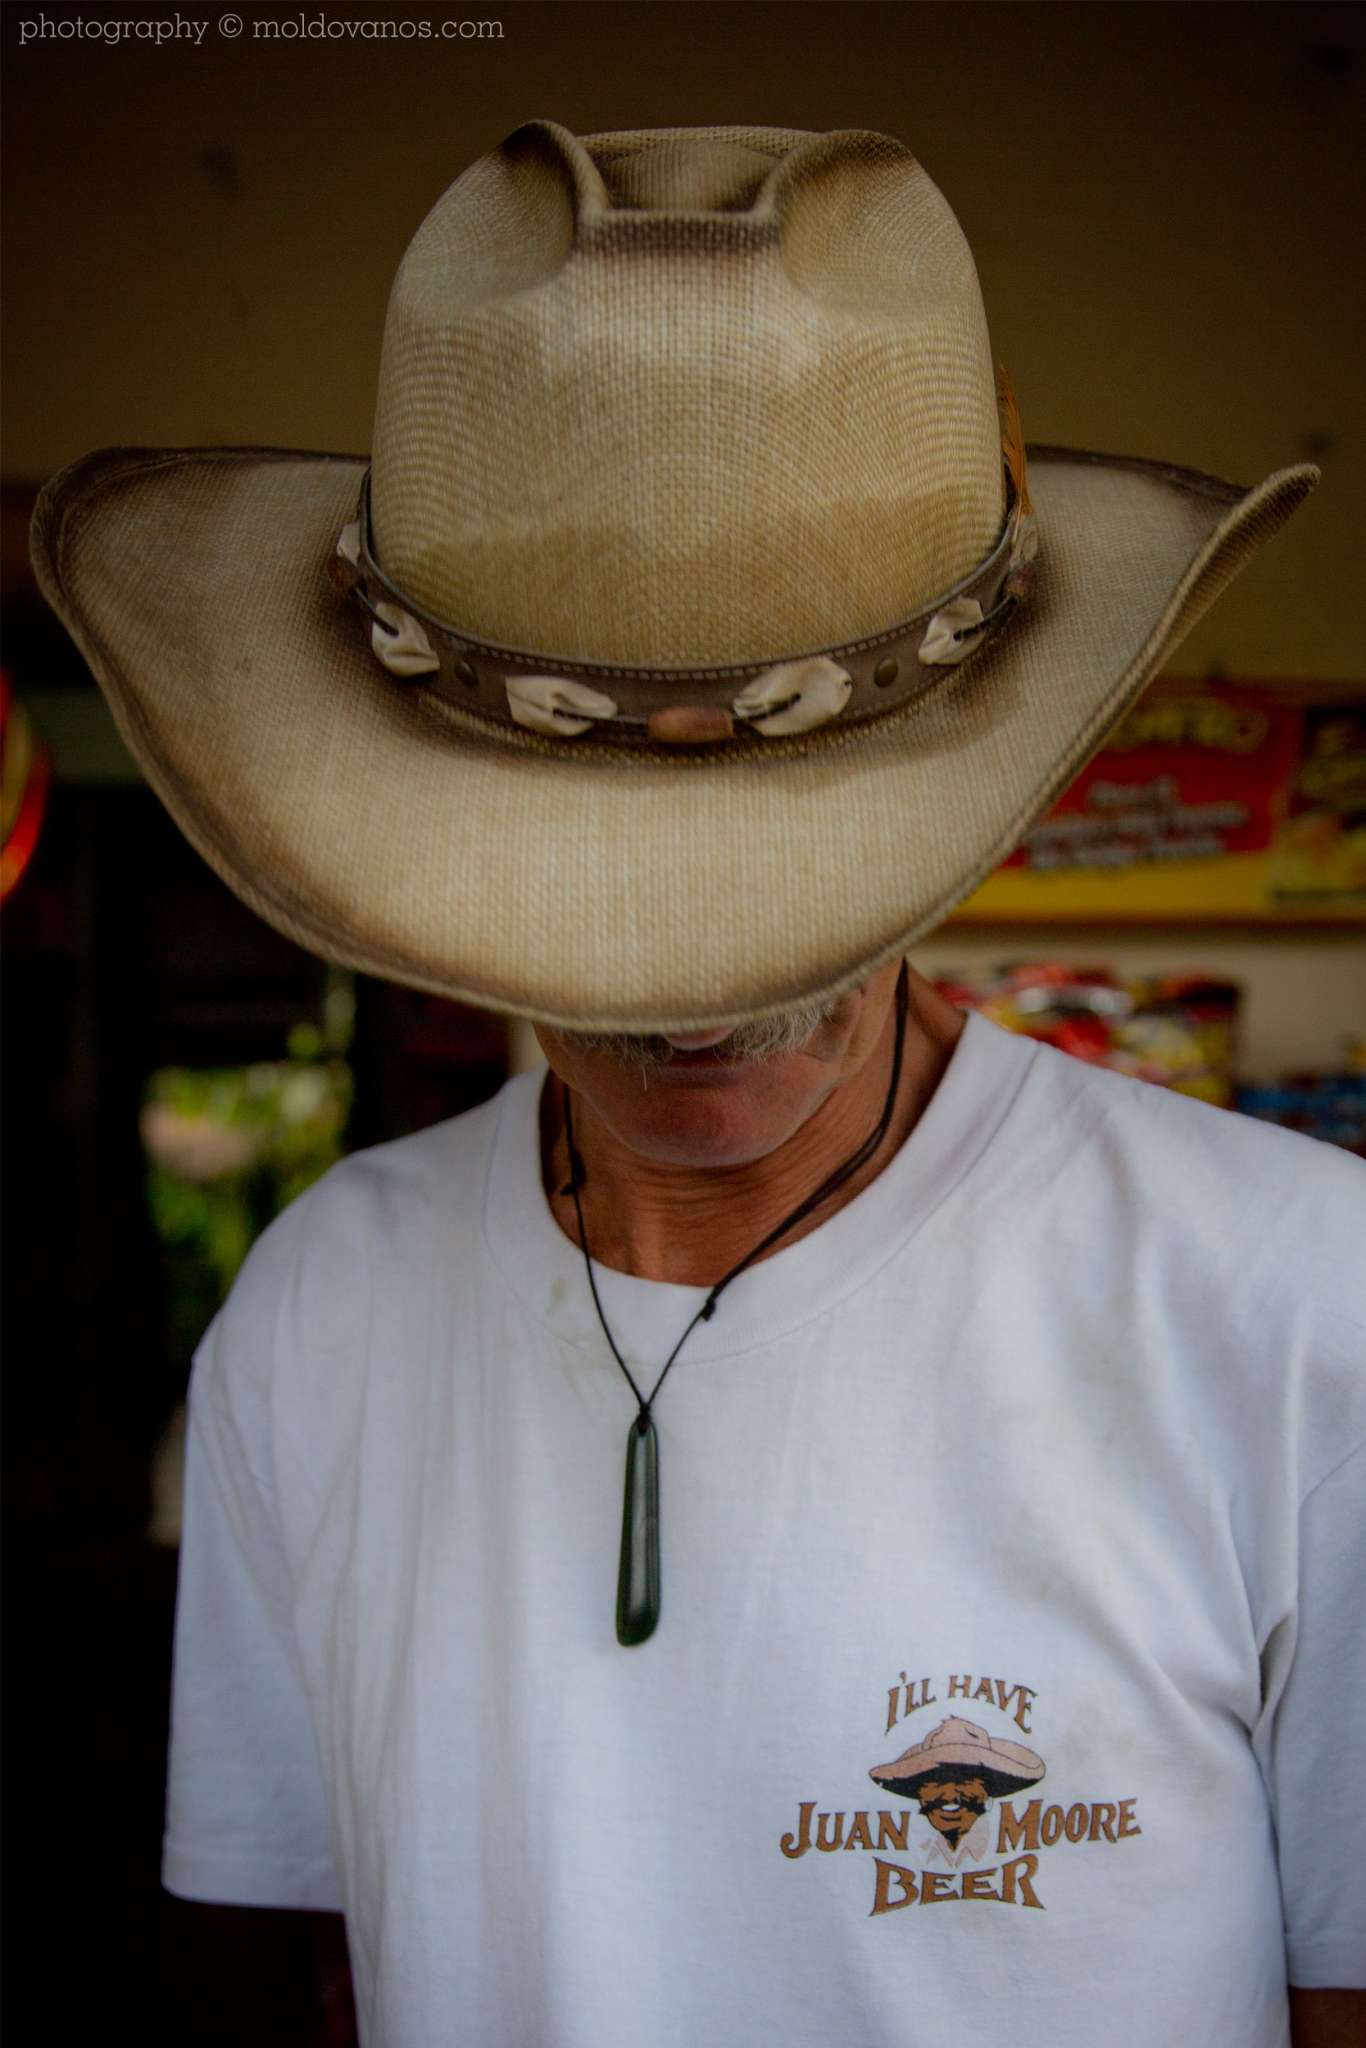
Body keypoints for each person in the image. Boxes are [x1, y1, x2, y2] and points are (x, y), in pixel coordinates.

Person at [31, 119, 1364, 2047]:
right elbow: (298, 1966)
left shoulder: (1298, 1300)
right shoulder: (320, 1307)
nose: (706, 992)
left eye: (800, 877)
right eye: (605, 893)